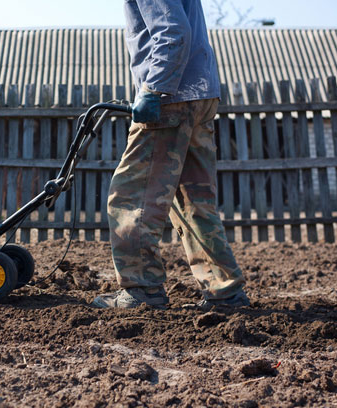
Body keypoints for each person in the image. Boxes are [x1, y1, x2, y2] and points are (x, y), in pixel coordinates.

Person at [92, 0, 249, 309]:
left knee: (131, 197)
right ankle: (225, 291)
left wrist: (153, 88)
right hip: (201, 92)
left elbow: (173, 31)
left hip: (171, 98)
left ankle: (142, 290)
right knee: (193, 200)